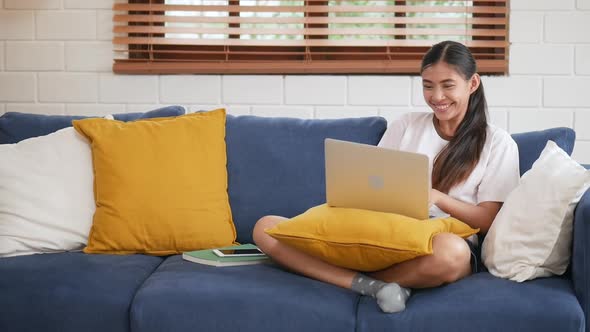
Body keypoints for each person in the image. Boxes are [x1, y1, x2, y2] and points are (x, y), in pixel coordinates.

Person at [252, 40, 520, 314]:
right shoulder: (406, 125)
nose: (437, 96)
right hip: (385, 230)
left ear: (472, 83)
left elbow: (488, 219)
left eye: (448, 85)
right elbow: (374, 181)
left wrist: (438, 198)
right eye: (428, 86)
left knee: (453, 254)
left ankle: (352, 279)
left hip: (437, 241)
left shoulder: (497, 143)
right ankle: (373, 286)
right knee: (265, 227)